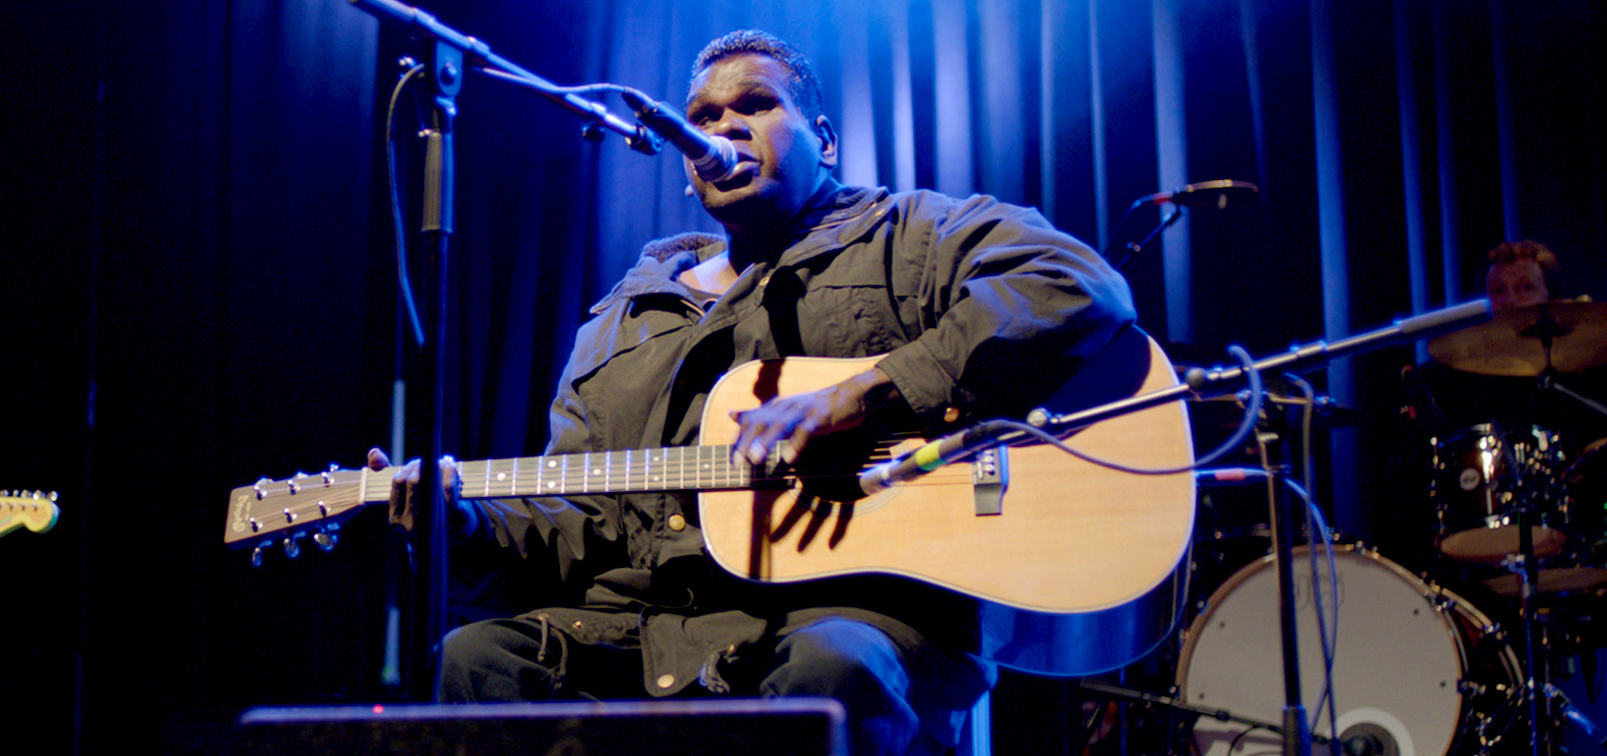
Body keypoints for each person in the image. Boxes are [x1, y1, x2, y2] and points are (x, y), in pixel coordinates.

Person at [376, 30, 1134, 756]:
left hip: (848, 612)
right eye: (703, 117)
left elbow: (1075, 285)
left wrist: (870, 392)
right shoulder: (619, 322)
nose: (724, 127)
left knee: (831, 674)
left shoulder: (911, 235)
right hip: (651, 623)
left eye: (756, 106)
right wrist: (466, 520)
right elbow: (580, 520)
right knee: (477, 659)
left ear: (824, 142)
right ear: (686, 163)